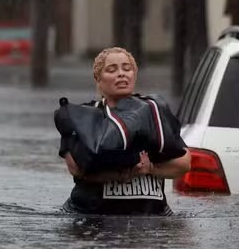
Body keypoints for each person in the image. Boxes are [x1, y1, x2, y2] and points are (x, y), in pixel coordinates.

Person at [61, 47, 191, 216]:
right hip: (91, 216)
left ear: (134, 75)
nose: (121, 74)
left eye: (127, 68)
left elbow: (184, 162)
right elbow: (76, 168)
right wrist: (123, 173)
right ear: (98, 79)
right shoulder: (82, 117)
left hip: (152, 217)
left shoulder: (154, 112)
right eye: (111, 70)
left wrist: (151, 169)